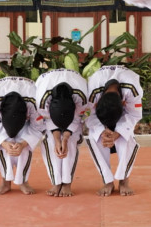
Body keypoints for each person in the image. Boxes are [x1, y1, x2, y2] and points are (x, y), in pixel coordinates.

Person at [85, 65, 143, 197]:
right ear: (97, 102)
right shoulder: (91, 93)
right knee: (95, 137)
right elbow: (89, 116)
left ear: (123, 104)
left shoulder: (133, 90)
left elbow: (134, 115)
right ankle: (107, 181)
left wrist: (118, 132)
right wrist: (102, 131)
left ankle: (124, 180)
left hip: (124, 111)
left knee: (126, 137)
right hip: (101, 112)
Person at [35, 69, 89, 197]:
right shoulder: (42, 102)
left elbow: (77, 118)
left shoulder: (81, 99)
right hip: (47, 86)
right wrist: (57, 139)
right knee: (50, 141)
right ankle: (56, 182)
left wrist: (65, 138)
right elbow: (47, 119)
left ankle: (67, 182)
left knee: (71, 140)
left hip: (74, 86)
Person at [0, 76, 44, 195]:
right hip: (1, 105)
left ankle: (24, 181)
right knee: (5, 143)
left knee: (25, 144)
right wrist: (3, 143)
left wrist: (23, 144)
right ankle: (5, 182)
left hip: (26, 97)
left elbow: (38, 127)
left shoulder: (35, 102)